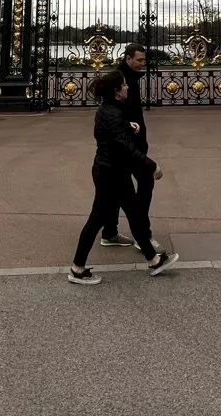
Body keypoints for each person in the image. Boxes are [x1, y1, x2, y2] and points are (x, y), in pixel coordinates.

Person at [68, 68, 179, 284]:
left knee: (135, 213)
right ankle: (77, 269)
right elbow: (125, 148)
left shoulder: (108, 110)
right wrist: (152, 166)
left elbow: (110, 131)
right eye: (125, 85)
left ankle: (154, 259)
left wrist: (128, 127)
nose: (128, 88)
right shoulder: (114, 113)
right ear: (118, 91)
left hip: (112, 171)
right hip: (110, 174)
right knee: (96, 220)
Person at [100, 43, 162, 251]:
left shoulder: (128, 77)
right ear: (128, 58)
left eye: (145, 60)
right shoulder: (120, 80)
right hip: (127, 144)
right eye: (140, 60)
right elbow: (114, 113)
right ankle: (142, 235)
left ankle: (109, 232)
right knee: (144, 183)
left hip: (128, 143)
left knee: (115, 190)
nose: (143, 64)